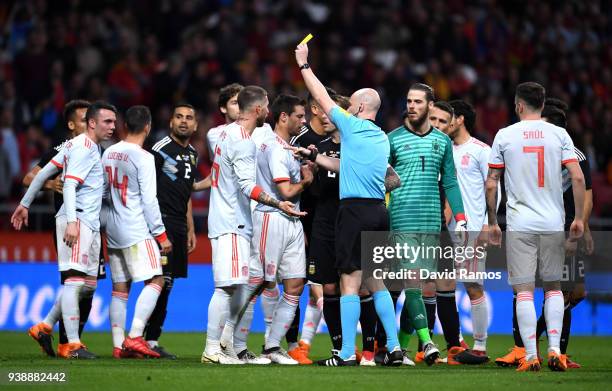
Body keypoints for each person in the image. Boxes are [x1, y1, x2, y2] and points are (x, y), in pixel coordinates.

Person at [294, 41, 403, 366]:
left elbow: (323, 98)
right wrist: (317, 156)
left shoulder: (353, 126)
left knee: (349, 282)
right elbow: (347, 167)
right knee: (376, 280)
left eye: (351, 105)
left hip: (353, 212)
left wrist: (303, 65)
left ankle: (343, 354)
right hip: (378, 213)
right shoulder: (382, 138)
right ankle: (395, 348)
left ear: (358, 109)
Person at [486, 82, 585, 372]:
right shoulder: (560, 134)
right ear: (542, 104)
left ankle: (531, 355)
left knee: (524, 291)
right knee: (554, 288)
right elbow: (577, 178)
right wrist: (578, 218)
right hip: (553, 221)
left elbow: (491, 183)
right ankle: (555, 350)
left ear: (518, 105)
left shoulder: (505, 135)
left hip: (520, 223)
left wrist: (493, 222)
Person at [201, 85, 303, 365]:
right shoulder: (244, 141)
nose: (269, 112)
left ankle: (226, 347)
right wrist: (277, 202)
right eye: (267, 106)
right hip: (233, 221)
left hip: (226, 218)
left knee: (235, 286)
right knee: (227, 288)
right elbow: (247, 186)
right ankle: (212, 349)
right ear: (258, 109)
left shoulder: (224, 134)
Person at [11, 100, 116, 359]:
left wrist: (24, 204)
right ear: (92, 123)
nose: (113, 127)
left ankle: (45, 326)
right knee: (74, 281)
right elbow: (68, 185)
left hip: (88, 223)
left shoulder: (77, 145)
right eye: (108, 122)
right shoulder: (84, 148)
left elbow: (44, 171)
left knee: (88, 285)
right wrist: (71, 221)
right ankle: (72, 346)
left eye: (114, 122)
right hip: (77, 220)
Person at [387, 84, 477, 366]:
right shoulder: (392, 140)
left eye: (417, 101)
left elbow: (449, 181)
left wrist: (461, 217)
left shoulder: (442, 142)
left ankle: (399, 350)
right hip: (401, 220)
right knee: (412, 280)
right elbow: (381, 181)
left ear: (429, 105)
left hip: (431, 223)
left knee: (422, 286)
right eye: (408, 101)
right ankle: (427, 342)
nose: (411, 105)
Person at [228, 93, 314, 365]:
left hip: (292, 221)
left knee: (296, 283)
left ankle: (272, 346)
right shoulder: (275, 148)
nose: (304, 120)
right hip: (271, 218)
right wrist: (306, 180)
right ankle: (236, 346)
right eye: (300, 116)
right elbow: (286, 190)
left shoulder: (283, 145)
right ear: (284, 117)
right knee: (258, 283)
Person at [102, 105, 173, 359]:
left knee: (120, 288)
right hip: (135, 229)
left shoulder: (109, 152)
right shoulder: (144, 158)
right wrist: (161, 235)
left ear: (124, 126)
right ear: (147, 127)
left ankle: (118, 345)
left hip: (112, 230)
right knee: (157, 279)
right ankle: (135, 337)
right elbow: (149, 200)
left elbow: (103, 192)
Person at [286, 88, 339, 364]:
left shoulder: (344, 140)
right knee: (310, 283)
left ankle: (307, 344)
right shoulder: (300, 140)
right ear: (316, 109)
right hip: (306, 221)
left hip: (336, 220)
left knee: (325, 285)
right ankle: (298, 343)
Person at [145, 103, 199, 359]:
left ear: (196, 125)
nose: (184, 121)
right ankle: (144, 338)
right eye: (179, 117)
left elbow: (186, 191)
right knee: (159, 281)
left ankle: (151, 338)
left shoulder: (192, 153)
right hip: (161, 222)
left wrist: (190, 227)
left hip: (178, 224)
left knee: (169, 283)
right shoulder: (158, 150)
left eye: (189, 118)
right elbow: (146, 189)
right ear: (171, 122)